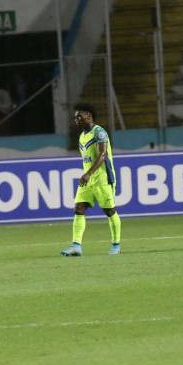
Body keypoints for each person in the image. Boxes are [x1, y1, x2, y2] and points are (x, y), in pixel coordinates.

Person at [60, 104, 122, 257]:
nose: (76, 119)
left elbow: (103, 155)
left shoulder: (99, 133)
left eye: (78, 116)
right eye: (75, 117)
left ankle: (116, 245)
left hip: (102, 178)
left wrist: (88, 174)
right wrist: (87, 175)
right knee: (79, 208)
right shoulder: (82, 136)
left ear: (88, 115)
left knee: (109, 211)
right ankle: (76, 246)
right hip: (88, 179)